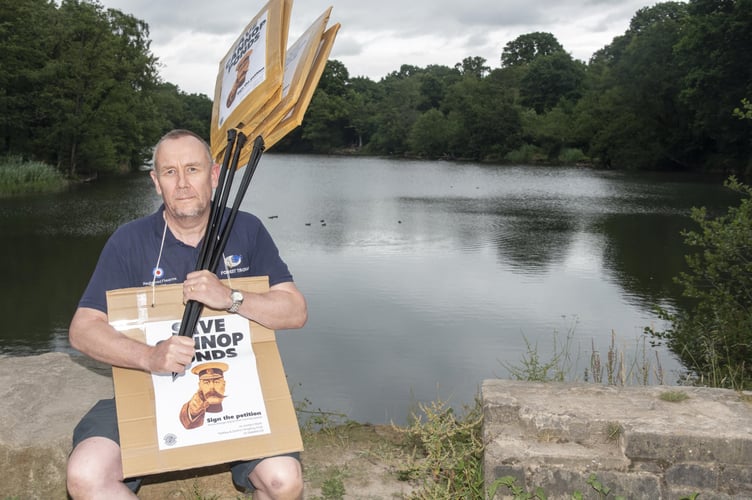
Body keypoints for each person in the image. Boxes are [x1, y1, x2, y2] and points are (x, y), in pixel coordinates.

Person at [66, 129, 308, 499]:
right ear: (155, 182)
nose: (181, 183)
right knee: (86, 473)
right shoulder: (129, 240)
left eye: (192, 169)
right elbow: (83, 330)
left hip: (239, 395)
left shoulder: (246, 229)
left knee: (283, 480)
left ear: (214, 175)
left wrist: (230, 297)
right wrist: (149, 356)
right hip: (147, 389)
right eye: (169, 172)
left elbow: (295, 311)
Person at [179, 361, 229, 430]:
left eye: (216, 382)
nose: (212, 387)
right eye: (206, 383)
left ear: (224, 384)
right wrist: (192, 412)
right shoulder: (195, 403)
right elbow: (187, 422)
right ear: (200, 386)